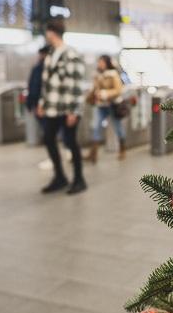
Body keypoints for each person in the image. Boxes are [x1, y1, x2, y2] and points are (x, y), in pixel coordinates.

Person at [37, 19, 87, 194]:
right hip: (52, 107)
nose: (46, 36)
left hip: (67, 108)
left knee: (71, 142)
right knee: (49, 139)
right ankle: (60, 177)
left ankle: (79, 179)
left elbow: (75, 85)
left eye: (46, 32)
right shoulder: (51, 53)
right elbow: (47, 82)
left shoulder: (70, 54)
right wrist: (42, 103)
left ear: (51, 32)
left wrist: (74, 111)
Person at [85, 55, 127, 162]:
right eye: (99, 62)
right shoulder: (97, 75)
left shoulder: (113, 74)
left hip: (113, 105)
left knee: (118, 128)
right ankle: (93, 153)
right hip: (101, 105)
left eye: (102, 62)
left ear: (107, 63)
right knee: (96, 126)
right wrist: (91, 96)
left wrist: (105, 94)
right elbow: (95, 89)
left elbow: (118, 90)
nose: (100, 64)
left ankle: (122, 149)